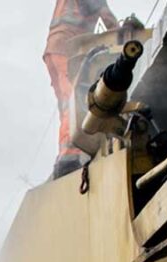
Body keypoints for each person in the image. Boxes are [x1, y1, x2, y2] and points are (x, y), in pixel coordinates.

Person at [45, 0, 122, 178]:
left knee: (66, 104)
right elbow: (107, 18)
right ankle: (69, 157)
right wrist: (124, 31)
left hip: (56, 46)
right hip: (66, 46)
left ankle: (66, 153)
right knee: (75, 100)